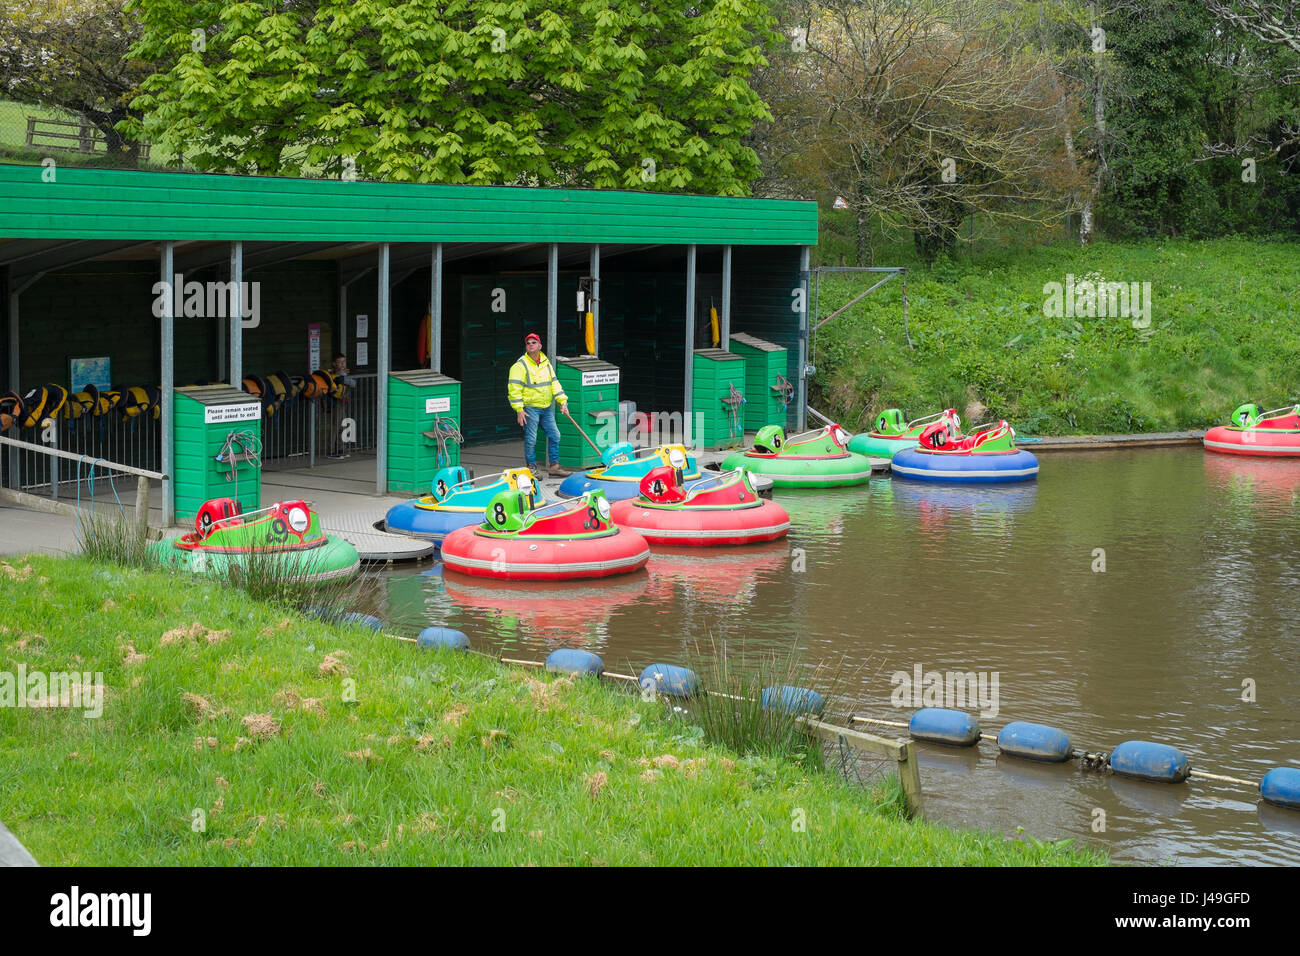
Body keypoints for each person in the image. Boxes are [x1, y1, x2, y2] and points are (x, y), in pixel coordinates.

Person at [508, 332, 570, 477]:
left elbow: (554, 383)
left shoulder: (546, 363)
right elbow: (514, 389)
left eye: (533, 342)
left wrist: (563, 401)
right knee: (531, 439)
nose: (530, 345)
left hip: (546, 408)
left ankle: (554, 467)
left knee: (555, 435)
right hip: (530, 408)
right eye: (528, 343)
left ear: (540, 346)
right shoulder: (520, 365)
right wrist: (519, 409)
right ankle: (531, 468)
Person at [325, 353, 357, 460]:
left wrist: (344, 378)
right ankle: (331, 451)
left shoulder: (343, 375)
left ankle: (340, 449)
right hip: (336, 403)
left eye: (344, 362)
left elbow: (353, 383)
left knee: (342, 426)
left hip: (342, 402)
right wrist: (343, 378)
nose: (343, 364)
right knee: (335, 426)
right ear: (334, 364)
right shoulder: (334, 376)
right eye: (340, 362)